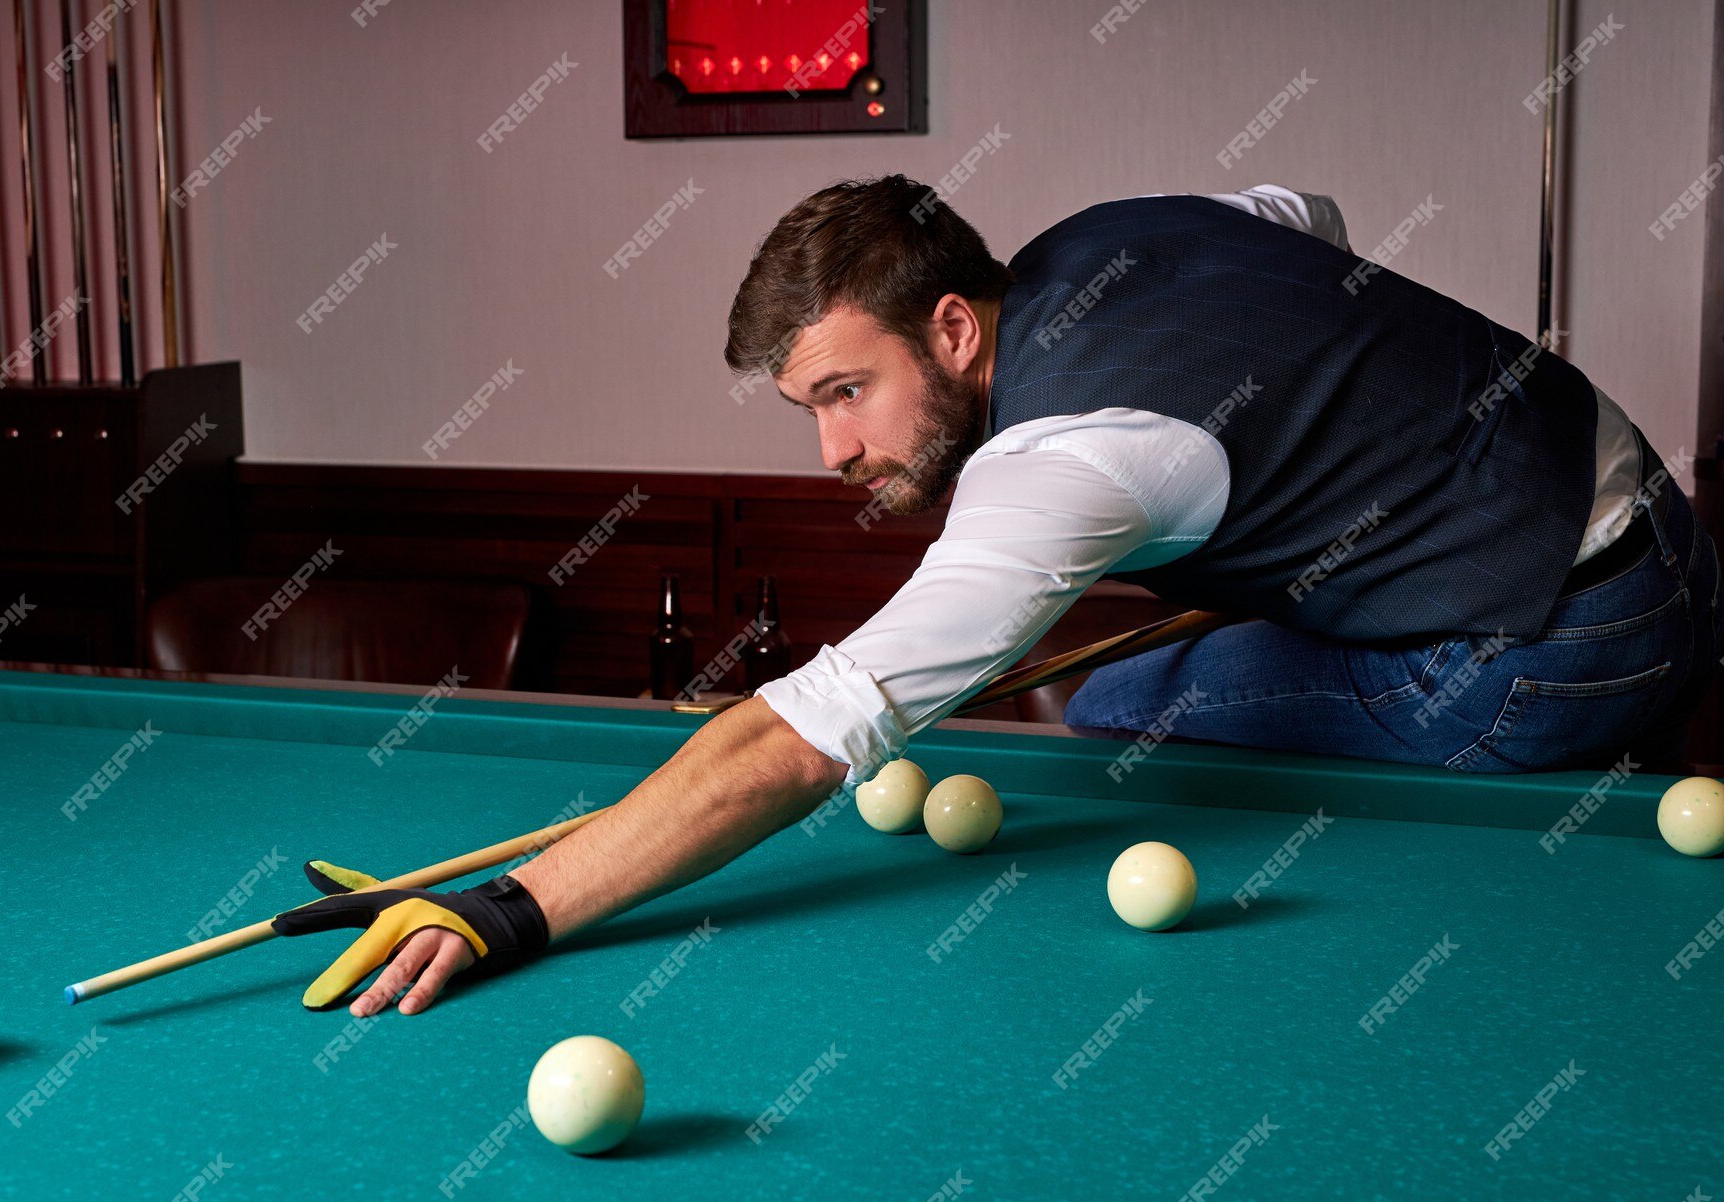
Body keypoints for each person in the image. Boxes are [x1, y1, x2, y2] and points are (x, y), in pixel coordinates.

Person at [272, 177, 1721, 1015]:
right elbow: (1301, 214)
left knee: (1121, 707)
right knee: (1116, 694)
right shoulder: (1113, 237)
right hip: (1653, 509)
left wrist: (514, 907)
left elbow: (793, 739)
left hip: (1559, 643)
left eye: (848, 393)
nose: (836, 448)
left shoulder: (1058, 471)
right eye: (808, 409)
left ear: (954, 327)